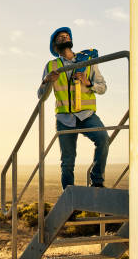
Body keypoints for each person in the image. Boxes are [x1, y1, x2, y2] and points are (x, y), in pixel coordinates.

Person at [37, 27, 109, 189]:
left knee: (103, 139)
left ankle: (97, 181)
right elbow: (41, 96)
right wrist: (46, 81)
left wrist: (88, 82)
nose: (64, 38)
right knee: (67, 162)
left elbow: (103, 87)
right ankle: (69, 195)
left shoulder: (88, 61)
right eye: (60, 38)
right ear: (55, 46)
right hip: (64, 118)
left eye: (66, 36)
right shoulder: (51, 66)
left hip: (87, 115)